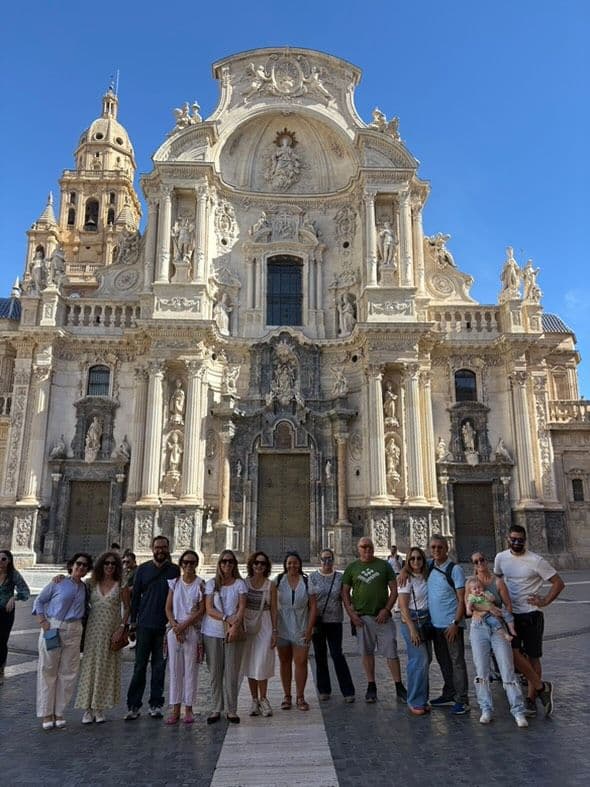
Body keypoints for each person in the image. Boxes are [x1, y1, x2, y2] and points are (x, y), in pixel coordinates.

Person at [494, 525, 564, 717]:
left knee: (533, 656)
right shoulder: (500, 558)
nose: (516, 543)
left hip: (531, 614)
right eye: (513, 539)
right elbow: (498, 581)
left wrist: (545, 601)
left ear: (525, 540)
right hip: (511, 615)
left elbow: (559, 583)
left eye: (520, 540)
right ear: (507, 538)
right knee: (514, 654)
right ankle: (542, 687)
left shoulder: (536, 561)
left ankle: (532, 699)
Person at [465, 552, 528, 727]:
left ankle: (518, 711)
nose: (479, 563)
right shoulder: (470, 584)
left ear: (487, 561)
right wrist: (489, 609)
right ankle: (486, 709)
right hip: (478, 629)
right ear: (473, 565)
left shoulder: (497, 582)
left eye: (482, 560)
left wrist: (501, 616)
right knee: (481, 671)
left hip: (498, 628)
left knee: (507, 669)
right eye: (475, 561)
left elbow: (507, 605)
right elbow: (468, 610)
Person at [342, 537, 407, 704]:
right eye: (363, 547)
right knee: (366, 652)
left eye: (369, 546)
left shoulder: (384, 565)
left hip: (383, 618)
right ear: (358, 549)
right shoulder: (352, 568)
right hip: (362, 618)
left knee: (391, 650)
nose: (367, 549)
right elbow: (345, 594)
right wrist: (352, 614)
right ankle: (371, 686)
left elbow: (394, 590)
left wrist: (387, 609)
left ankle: (398, 685)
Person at [33, 552, 92, 729]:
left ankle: (59, 712)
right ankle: (46, 713)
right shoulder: (58, 582)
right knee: (48, 670)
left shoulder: (85, 587)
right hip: (53, 628)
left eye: (85, 565)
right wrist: (43, 621)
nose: (81, 567)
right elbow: (39, 601)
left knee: (68, 673)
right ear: (72, 565)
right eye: (78, 564)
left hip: (74, 629)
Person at [125, 536, 179, 721]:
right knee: (139, 666)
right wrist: (132, 622)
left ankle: (156, 704)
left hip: (164, 626)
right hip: (144, 625)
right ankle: (133, 705)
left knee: (159, 667)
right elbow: (134, 597)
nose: (160, 550)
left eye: (163, 547)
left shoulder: (174, 570)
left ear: (168, 548)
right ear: (152, 549)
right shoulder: (142, 570)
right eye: (157, 547)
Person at [75, 551, 129, 723]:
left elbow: (128, 607)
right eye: (106, 563)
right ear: (101, 565)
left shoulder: (121, 583)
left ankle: (99, 708)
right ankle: (87, 708)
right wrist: (60, 578)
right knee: (90, 667)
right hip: (93, 631)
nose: (110, 566)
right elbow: (74, 584)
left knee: (106, 668)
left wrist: (122, 627)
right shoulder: (91, 583)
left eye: (113, 564)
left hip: (112, 630)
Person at [423, 534, 469, 714]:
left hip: (451, 625)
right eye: (433, 547)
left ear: (446, 548)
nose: (436, 550)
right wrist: (403, 571)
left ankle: (462, 699)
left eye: (439, 547)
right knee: (443, 661)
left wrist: (455, 623)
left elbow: (461, 600)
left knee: (457, 662)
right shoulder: (429, 566)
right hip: (436, 626)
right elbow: (411, 567)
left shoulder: (454, 569)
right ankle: (449, 692)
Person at [202, 550, 247, 724]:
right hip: (213, 632)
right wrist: (226, 618)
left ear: (234, 565)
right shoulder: (211, 584)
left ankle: (232, 709)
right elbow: (209, 608)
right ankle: (216, 708)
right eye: (224, 562)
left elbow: (242, 607)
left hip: (233, 632)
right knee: (215, 672)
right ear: (219, 564)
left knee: (231, 672)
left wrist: (234, 626)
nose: (227, 565)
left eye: (230, 562)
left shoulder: (240, 584)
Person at [164, 550, 205, 725]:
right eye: (186, 562)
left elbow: (202, 609)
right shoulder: (175, 583)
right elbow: (168, 608)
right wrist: (175, 625)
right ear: (181, 564)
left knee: (190, 670)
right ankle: (175, 709)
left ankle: (188, 709)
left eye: (192, 562)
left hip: (191, 630)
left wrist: (184, 625)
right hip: (175, 630)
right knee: (175, 670)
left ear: (197, 564)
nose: (189, 566)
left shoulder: (201, 584)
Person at [309, 548, 355, 703]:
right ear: (319, 560)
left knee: (337, 654)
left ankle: (348, 690)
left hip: (335, 621)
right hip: (318, 622)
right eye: (324, 559)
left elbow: (345, 598)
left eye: (329, 559)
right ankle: (324, 690)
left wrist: (353, 616)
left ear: (333, 560)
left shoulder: (339, 577)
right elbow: (309, 601)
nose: (326, 562)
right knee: (320, 656)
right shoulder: (313, 577)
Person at [275, 551, 317, 711]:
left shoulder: (307, 582)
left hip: (301, 627)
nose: (292, 565)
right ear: (285, 565)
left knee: (300, 662)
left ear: (300, 564)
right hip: (282, 627)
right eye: (290, 563)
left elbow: (313, 607)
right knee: (284, 662)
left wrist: (309, 629)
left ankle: (300, 696)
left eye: (295, 562)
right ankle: (287, 696)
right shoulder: (278, 581)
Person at [242, 551, 278, 717]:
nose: (259, 566)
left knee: (262, 662)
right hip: (249, 624)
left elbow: (274, 609)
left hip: (264, 624)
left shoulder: (270, 585)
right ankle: (254, 700)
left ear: (266, 567)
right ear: (251, 564)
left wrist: (274, 631)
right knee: (250, 662)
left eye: (262, 564)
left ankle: (264, 699)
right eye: (256, 563)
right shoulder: (244, 583)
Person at [397, 547, 432, 715]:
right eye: (412, 559)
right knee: (420, 659)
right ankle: (415, 701)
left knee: (424, 660)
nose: (416, 562)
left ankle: (422, 699)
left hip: (426, 621)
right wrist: (412, 630)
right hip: (410, 621)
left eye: (419, 558)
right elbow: (403, 606)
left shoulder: (427, 574)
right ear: (408, 561)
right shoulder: (405, 580)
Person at [0, 549, 31, 685]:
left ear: (9, 561)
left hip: (5, 613)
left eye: (4, 559)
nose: (0, 562)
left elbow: (25, 592)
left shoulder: (13, 575)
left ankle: (0, 670)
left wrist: (14, 597)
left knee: (1, 642)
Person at [467, 578, 517, 642]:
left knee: (507, 614)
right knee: (495, 623)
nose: (477, 590)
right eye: (474, 589)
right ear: (471, 591)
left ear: (482, 587)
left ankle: (511, 629)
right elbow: (469, 604)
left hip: (495, 609)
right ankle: (505, 635)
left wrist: (485, 595)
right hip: (487, 615)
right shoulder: (472, 597)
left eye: (479, 587)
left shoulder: (486, 593)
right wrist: (468, 610)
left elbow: (492, 599)